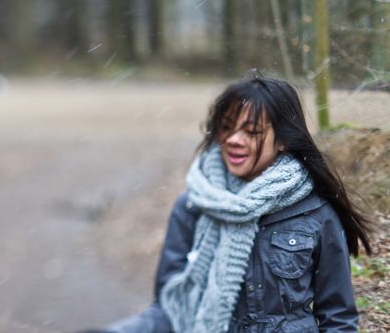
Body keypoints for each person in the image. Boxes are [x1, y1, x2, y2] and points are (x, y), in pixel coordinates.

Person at [83, 73, 372, 333]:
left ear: (284, 139)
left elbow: (338, 318)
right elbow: (171, 312)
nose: (233, 140)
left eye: (252, 132)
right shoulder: (193, 207)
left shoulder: (315, 214)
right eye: (227, 127)